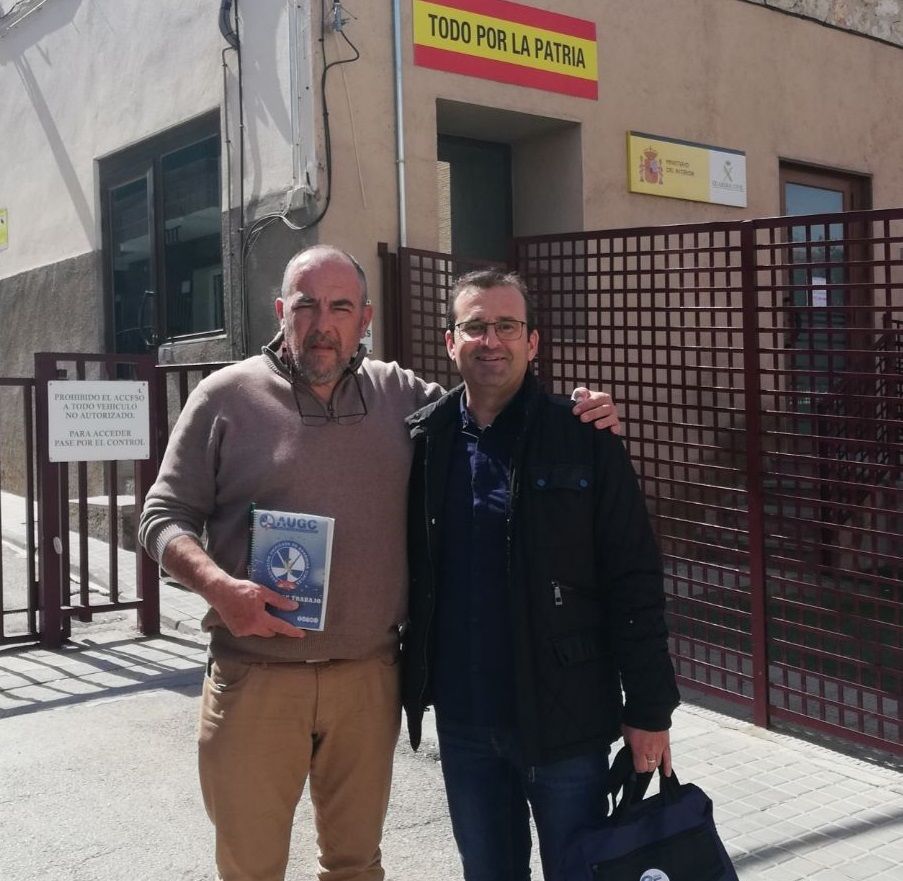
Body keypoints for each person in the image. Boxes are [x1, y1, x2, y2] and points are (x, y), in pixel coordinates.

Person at [137, 245, 622, 881]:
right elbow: (160, 516)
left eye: (341, 307)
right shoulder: (224, 397)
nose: (322, 322)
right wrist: (218, 587)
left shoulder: (402, 398)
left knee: (356, 866)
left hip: (366, 682)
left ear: (365, 318)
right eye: (306, 305)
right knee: (250, 869)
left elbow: (489, 400)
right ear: (282, 311)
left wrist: (584, 413)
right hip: (256, 679)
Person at [402, 269, 681, 881]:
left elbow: (633, 575)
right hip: (467, 721)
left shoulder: (584, 435)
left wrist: (651, 708)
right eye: (475, 326)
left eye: (507, 325)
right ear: (451, 342)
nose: (491, 340)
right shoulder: (427, 441)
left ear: (534, 342)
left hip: (566, 725)